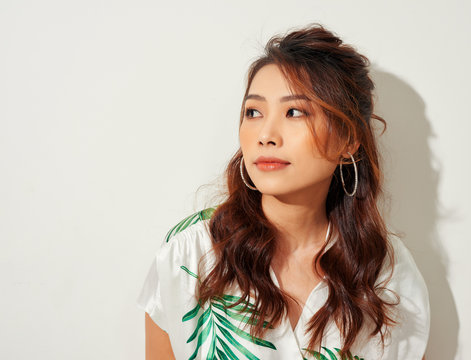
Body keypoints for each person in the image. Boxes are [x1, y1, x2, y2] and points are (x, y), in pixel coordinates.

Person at [137, 23, 430, 360]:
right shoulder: (190, 254)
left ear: (348, 139)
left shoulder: (388, 272)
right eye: (253, 112)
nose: (266, 134)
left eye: (294, 112)